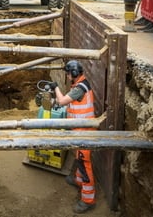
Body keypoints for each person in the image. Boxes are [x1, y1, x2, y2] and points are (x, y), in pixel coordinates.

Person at [49, 60, 97, 214]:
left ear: (74, 73)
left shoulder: (80, 88)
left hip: (84, 132)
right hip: (79, 130)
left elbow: (62, 101)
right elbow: (67, 103)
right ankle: (78, 180)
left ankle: (88, 200)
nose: (68, 76)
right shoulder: (79, 85)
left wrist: (55, 87)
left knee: (84, 163)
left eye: (68, 73)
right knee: (79, 157)